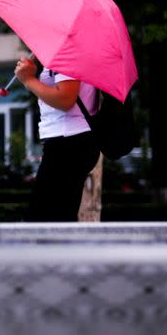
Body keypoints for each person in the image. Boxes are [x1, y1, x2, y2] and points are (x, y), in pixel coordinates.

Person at [14, 56, 100, 221]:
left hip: (68, 142)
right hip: (70, 141)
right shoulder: (66, 50)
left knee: (44, 220)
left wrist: (29, 80)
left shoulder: (66, 51)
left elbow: (65, 99)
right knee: (58, 217)